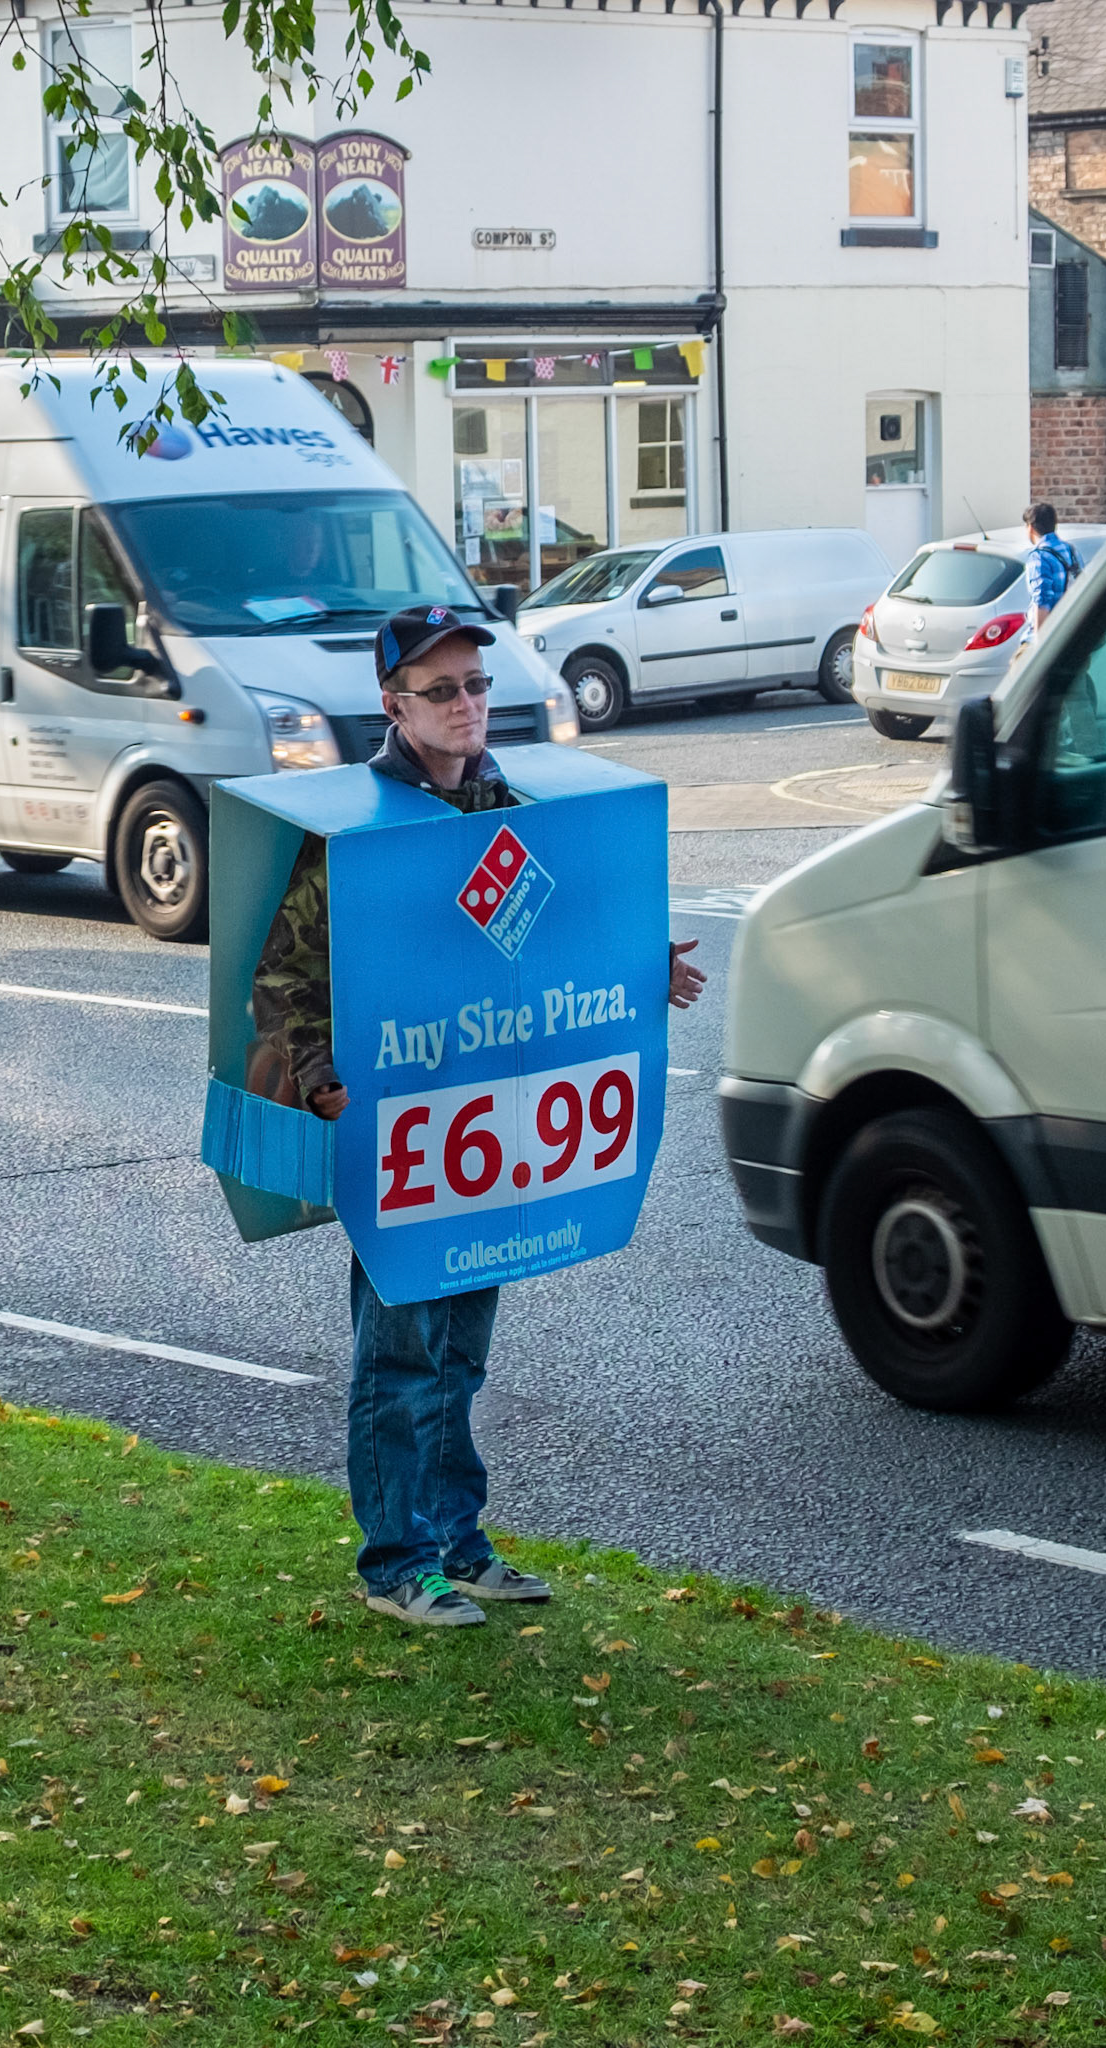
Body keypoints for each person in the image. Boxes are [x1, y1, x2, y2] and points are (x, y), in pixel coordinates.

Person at [252, 604, 707, 1628]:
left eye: (476, 687)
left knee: (461, 1347)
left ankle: (456, 1535)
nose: (466, 707)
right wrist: (321, 1076)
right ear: (393, 703)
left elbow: (542, 950)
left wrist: (642, 971)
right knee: (401, 1346)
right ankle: (396, 1561)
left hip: (485, 1137)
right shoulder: (357, 829)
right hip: (400, 1137)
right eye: (442, 691)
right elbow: (283, 981)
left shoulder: (511, 805)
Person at [1021, 502, 1081, 644]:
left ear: (1030, 527)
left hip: (1050, 637)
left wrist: (1039, 645)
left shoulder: (1038, 556)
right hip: (1072, 633)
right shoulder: (1071, 550)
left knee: (1018, 664)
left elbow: (1042, 599)